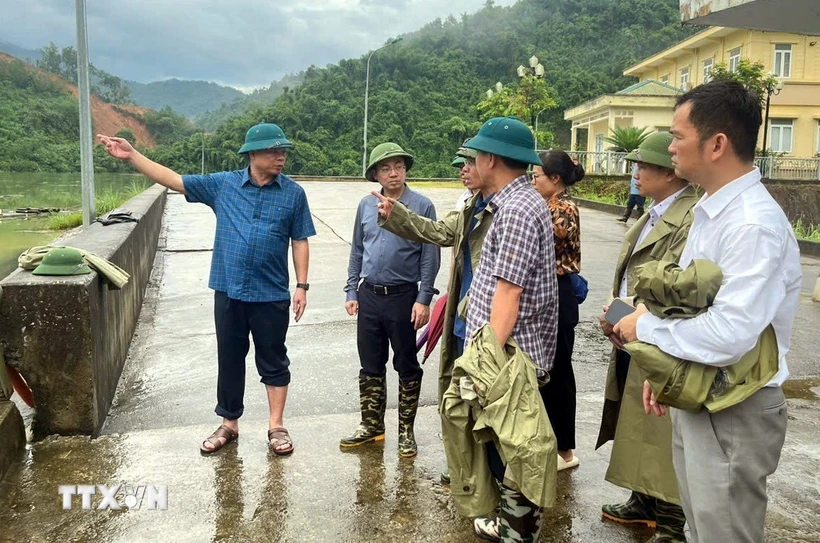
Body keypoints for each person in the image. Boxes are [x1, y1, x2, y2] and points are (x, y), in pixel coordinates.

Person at [613, 80, 802, 542]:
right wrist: (669, 375)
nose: (670, 147)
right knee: (701, 529)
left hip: (735, 407)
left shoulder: (752, 224)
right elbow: (690, 305)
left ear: (717, 144)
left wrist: (646, 327)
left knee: (724, 533)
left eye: (677, 136)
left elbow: (729, 332)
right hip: (705, 394)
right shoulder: (712, 211)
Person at [98, 123, 316, 456]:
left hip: (271, 293)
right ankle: (229, 423)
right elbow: (174, 180)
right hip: (228, 290)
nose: (281, 156)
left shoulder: (293, 194)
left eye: (283, 151)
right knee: (230, 358)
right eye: (274, 150)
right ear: (252, 154)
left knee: (273, 360)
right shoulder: (224, 185)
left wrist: (301, 285)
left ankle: (276, 426)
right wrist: (132, 156)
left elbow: (299, 240)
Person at [596, 132, 698, 543]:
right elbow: (630, 276)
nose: (635, 173)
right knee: (635, 422)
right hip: (634, 332)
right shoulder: (655, 212)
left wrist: (620, 314)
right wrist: (614, 312)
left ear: (670, 173)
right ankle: (643, 501)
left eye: (644, 166)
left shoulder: (689, 217)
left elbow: (673, 286)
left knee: (660, 431)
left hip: (659, 336)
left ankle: (671, 524)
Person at [460, 117, 558, 542]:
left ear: (491, 158)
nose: (472, 162)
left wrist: (485, 369)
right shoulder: (515, 202)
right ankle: (508, 523)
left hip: (510, 354)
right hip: (507, 350)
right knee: (508, 445)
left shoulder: (517, 210)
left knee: (515, 449)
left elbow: (508, 296)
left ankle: (519, 532)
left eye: (475, 155)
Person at [373, 140, 494, 482]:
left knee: (484, 397)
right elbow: (440, 232)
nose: (462, 170)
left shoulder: (509, 210)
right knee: (461, 394)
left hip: (488, 321)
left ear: (492, 163)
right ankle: (465, 464)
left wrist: (424, 296)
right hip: (463, 315)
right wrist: (395, 212)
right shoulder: (472, 206)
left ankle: (485, 474)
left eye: (469, 162)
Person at [341, 142, 441, 458]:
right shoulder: (364, 206)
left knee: (406, 365)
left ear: (406, 169)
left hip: (404, 298)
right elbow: (358, 249)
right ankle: (372, 426)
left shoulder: (421, 205)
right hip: (370, 295)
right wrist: (351, 290)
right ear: (376, 174)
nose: (393, 173)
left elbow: (429, 254)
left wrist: (424, 298)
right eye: (385, 168)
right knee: (370, 365)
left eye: (398, 166)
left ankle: (406, 432)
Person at [530, 150, 583, 471]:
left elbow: (539, 246)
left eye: (537, 176)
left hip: (559, 295)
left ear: (556, 179)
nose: (533, 180)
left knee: (559, 373)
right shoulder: (547, 205)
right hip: (546, 293)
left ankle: (565, 452)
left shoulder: (562, 209)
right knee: (545, 373)